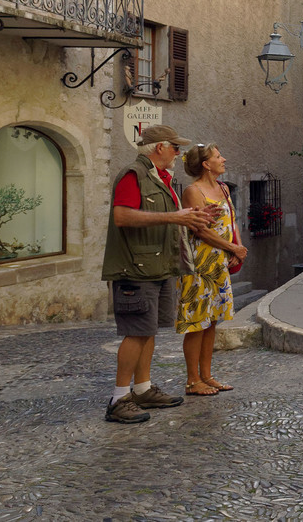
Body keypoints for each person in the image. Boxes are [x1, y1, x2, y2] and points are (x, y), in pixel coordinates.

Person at [102, 125, 218, 424]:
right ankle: (118, 398)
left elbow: (167, 219)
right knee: (136, 331)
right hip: (136, 268)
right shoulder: (133, 175)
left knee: (148, 330)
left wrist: (194, 218)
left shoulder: (161, 178)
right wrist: (174, 215)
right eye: (175, 148)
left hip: (157, 266)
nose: (179, 154)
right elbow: (122, 216)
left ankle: (142, 389)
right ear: (159, 148)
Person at [177, 143, 247, 397]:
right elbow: (201, 230)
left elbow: (232, 220)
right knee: (197, 321)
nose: (223, 159)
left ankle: (207, 375)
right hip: (199, 263)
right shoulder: (193, 191)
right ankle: (192, 380)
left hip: (221, 261)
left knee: (212, 320)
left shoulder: (224, 188)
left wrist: (234, 248)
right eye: (218, 156)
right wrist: (231, 246)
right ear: (206, 164)